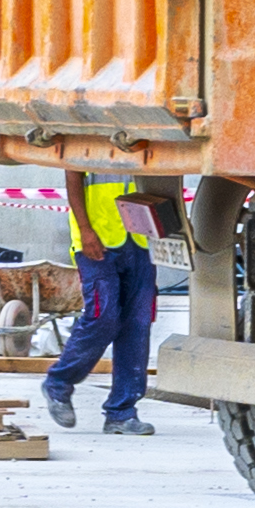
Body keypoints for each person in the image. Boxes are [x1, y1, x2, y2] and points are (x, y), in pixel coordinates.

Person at [47, 166, 163, 436]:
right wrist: (86, 230)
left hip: (141, 240)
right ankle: (59, 383)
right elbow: (73, 174)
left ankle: (121, 413)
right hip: (98, 238)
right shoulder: (95, 132)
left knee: (137, 325)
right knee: (103, 316)